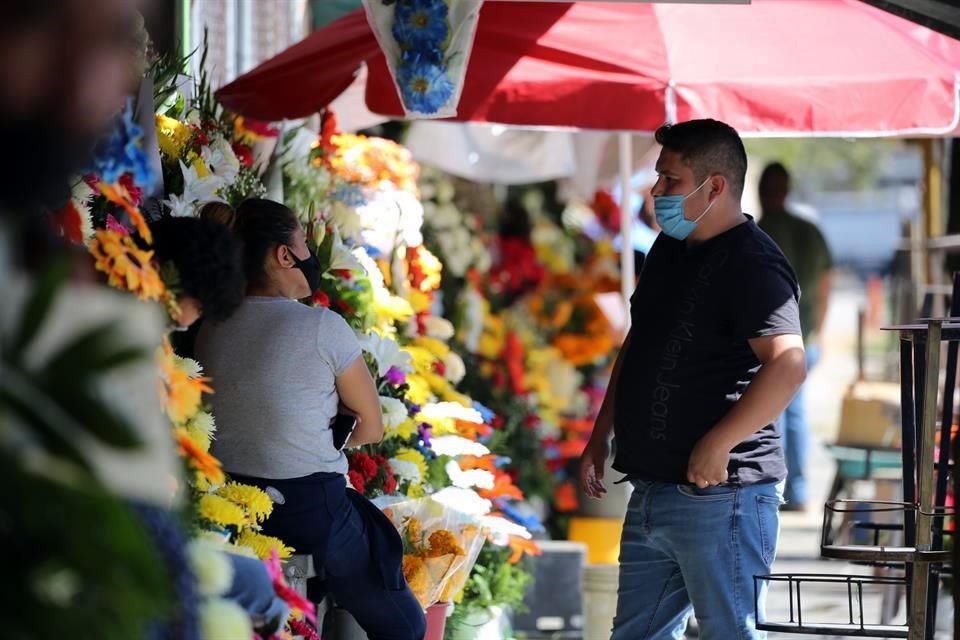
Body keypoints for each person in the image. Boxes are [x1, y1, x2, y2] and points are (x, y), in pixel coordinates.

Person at [579, 119, 807, 639]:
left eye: (670, 180)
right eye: (658, 179)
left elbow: (788, 364)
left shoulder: (754, 264)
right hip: (652, 489)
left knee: (731, 633)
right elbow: (639, 345)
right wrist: (601, 433)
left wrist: (720, 440)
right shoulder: (667, 250)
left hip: (722, 498)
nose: (655, 191)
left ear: (716, 186)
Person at [194, 198, 426, 640]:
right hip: (314, 513)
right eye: (303, 243)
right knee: (406, 625)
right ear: (285, 254)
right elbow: (372, 427)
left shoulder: (209, 326)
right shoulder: (322, 326)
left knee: (294, 613)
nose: (308, 254)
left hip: (237, 510)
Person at [758, 162, 833, 511]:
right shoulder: (809, 230)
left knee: (773, 413)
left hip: (769, 343)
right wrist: (819, 328)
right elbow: (826, 282)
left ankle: (781, 489)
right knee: (795, 413)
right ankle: (797, 491)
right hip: (808, 335)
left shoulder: (757, 231)